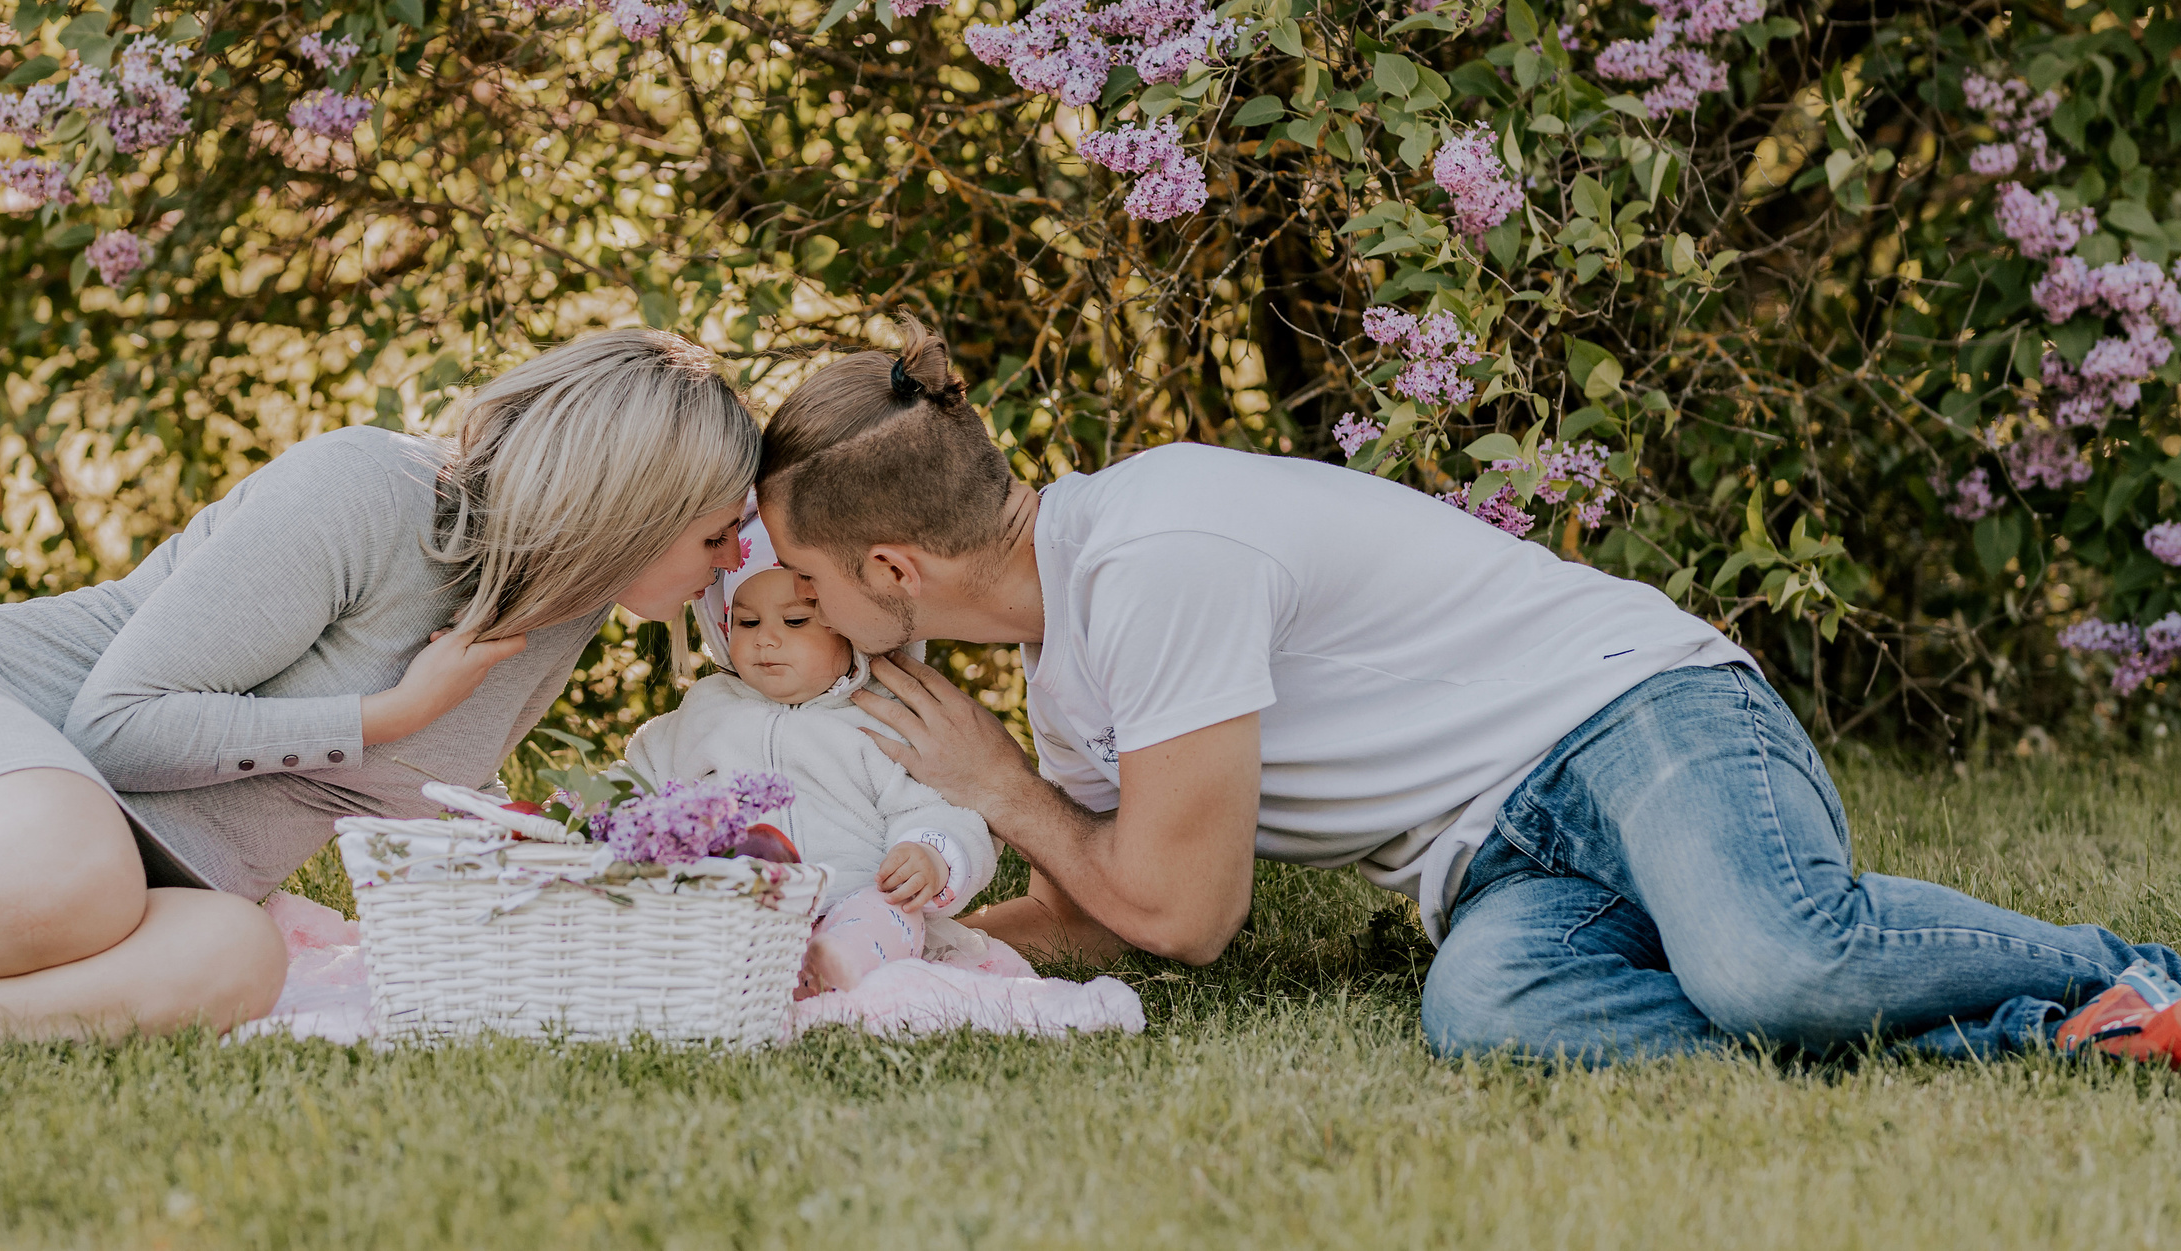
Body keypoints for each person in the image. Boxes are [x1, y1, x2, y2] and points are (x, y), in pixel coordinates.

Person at [751, 317, 2181, 1065]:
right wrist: (872, 954)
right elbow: (1099, 902)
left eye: (804, 581)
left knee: (1771, 965)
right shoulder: (1067, 657)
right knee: (1494, 1019)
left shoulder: (1158, 553)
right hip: (1499, 862)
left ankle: (2125, 966)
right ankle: (2052, 1030)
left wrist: (1003, 793)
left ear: (893, 566)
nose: (798, 609)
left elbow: (1186, 915)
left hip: (1633, 719)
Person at [0, 330, 759, 1040]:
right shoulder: (370, 490)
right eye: (714, 532)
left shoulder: (560, 615)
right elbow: (116, 729)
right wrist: (389, 714)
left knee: (234, 958)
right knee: (75, 869)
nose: (727, 561)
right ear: (633, 508)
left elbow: (382, 800)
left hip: (91, 882)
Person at [627, 511, 1012, 992]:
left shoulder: (881, 718)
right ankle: (739, 977)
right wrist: (596, 813)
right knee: (678, 913)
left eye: (795, 620)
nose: (766, 638)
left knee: (889, 913)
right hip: (734, 906)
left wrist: (930, 853)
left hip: (851, 898)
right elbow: (641, 778)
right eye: (747, 621)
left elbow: (938, 806)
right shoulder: (706, 711)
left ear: (849, 626)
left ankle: (834, 968)